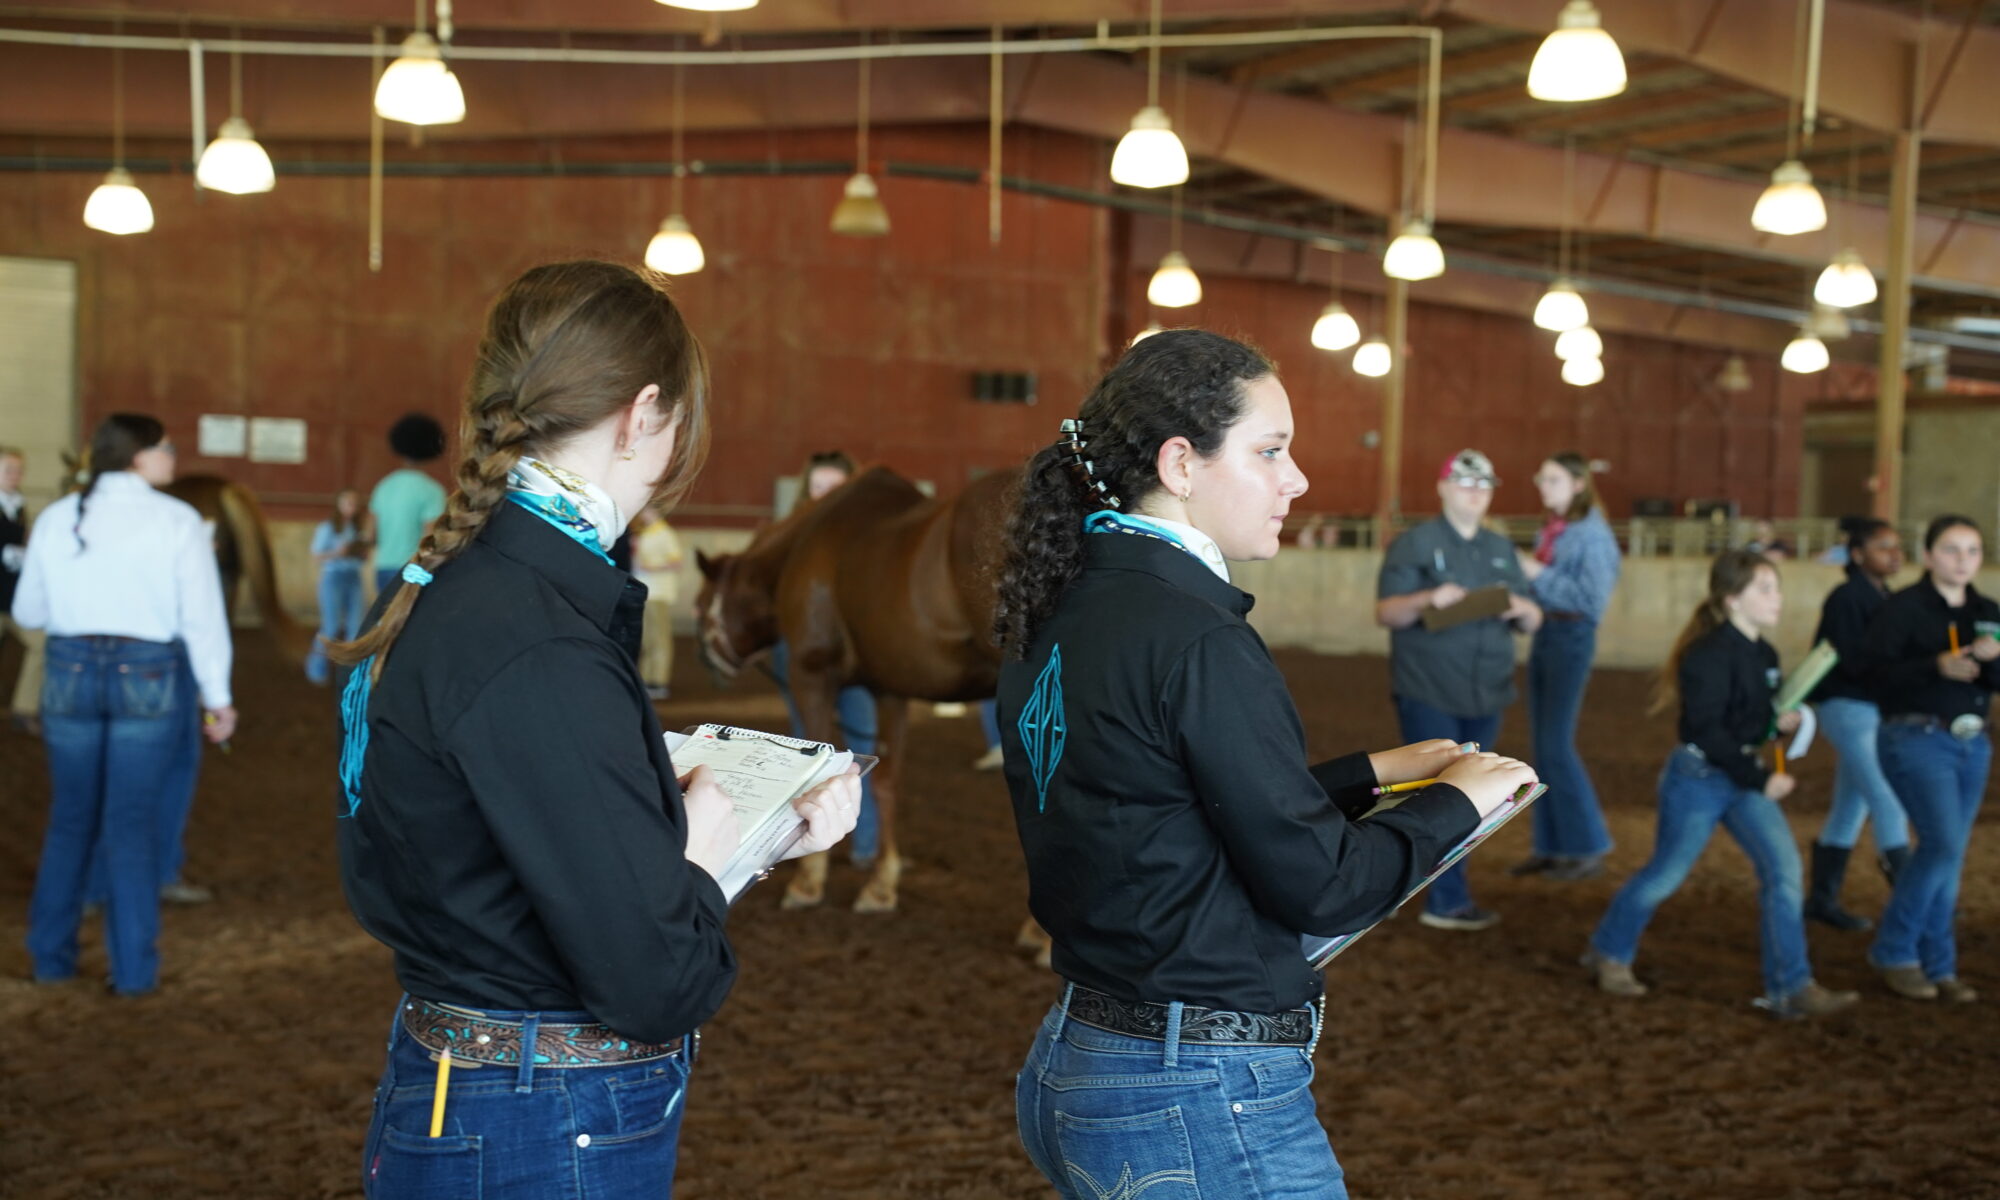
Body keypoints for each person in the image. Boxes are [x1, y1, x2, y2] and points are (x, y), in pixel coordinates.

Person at [332, 260, 860, 1199]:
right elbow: (655, 981)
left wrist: (754, 833)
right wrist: (693, 858)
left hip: (470, 1077)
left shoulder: (443, 587)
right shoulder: (539, 640)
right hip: (542, 1113)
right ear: (642, 412)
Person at [994, 329, 1537, 1199]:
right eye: (1271, 451)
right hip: (1193, 1088)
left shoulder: (1064, 603)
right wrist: (1456, 809)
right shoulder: (1198, 636)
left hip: (1083, 1056)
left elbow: (1171, 807)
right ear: (1181, 464)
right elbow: (1323, 888)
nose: (1298, 479)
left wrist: (1367, 772)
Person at [13, 414, 235, 995]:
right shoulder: (178, 520)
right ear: (140, 455)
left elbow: (31, 612)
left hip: (69, 672)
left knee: (70, 820)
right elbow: (202, 620)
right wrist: (219, 699)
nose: (172, 457)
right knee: (131, 827)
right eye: (166, 448)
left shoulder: (61, 516)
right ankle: (134, 972)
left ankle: (51, 959)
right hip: (149, 674)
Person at [1584, 550, 1858, 1017]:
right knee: (1665, 875)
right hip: (1701, 779)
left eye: (1777, 588)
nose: (1778, 599)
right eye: (1765, 589)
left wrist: (1778, 723)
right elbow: (1705, 732)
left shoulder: (1765, 654)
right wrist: (1760, 776)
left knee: (1784, 872)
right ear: (1733, 600)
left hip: (1736, 775)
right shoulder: (1706, 656)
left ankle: (1791, 987)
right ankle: (1610, 950)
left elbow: (1748, 722)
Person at [1375, 449, 1543, 931]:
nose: (1476, 492)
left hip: (1487, 689)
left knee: (1479, 793)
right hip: (1429, 686)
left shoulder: (1499, 547)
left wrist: (1524, 611)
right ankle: (1440, 897)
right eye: (1466, 483)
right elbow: (1388, 612)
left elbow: (1531, 615)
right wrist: (1427, 597)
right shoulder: (1415, 545)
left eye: (1484, 484)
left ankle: (1445, 892)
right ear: (1444, 487)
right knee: (1439, 792)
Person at [1861, 515, 1997, 1003]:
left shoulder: (1988, 611)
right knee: (1942, 846)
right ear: (1929, 555)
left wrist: (1990, 658)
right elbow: (1873, 674)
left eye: (1973, 551)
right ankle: (1896, 949)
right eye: (1952, 550)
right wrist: (1935, 665)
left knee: (1948, 855)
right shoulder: (1903, 610)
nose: (1963, 560)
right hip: (1914, 736)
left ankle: (1940, 965)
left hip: (1972, 741)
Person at [767, 448, 880, 863]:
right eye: (818, 488)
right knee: (807, 752)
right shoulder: (788, 535)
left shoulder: (873, 540)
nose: (824, 496)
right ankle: (803, 851)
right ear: (806, 491)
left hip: (856, 658)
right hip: (799, 655)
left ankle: (865, 847)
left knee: (861, 752)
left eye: (834, 488)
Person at [1511, 451, 1620, 881]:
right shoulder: (1561, 530)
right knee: (1545, 745)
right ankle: (1554, 846)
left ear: (1578, 483)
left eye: (1553, 479)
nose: (1543, 485)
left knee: (1555, 745)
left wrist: (1535, 573)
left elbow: (1590, 601)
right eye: (1542, 478)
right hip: (1551, 635)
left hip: (1571, 637)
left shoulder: (1589, 535)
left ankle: (1587, 844)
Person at [1802, 518, 1910, 931]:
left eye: (1896, 547)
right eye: (1883, 547)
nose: (1894, 554)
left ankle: (1821, 899)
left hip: (1865, 708)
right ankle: (1913, 896)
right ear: (1858, 554)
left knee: (1852, 803)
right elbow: (1853, 659)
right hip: (1849, 707)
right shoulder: (1848, 598)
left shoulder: (1882, 597)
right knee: (1887, 799)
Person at [367, 413, 448, 595]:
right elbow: (431, 537)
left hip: (382, 567)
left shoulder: (383, 486)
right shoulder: (432, 490)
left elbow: (370, 535)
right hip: (413, 569)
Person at [1, 445, 46, 734]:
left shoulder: (18, 504)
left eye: (19, 470)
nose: (16, 475)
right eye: (9, 470)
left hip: (12, 598)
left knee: (41, 645)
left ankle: (24, 707)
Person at [305, 488, 369, 685]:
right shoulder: (327, 528)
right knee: (331, 626)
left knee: (355, 627)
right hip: (333, 577)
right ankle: (316, 668)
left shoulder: (360, 529)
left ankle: (349, 672)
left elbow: (364, 557)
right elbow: (316, 555)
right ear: (338, 505)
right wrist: (337, 552)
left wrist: (361, 551)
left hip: (353, 576)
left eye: (354, 503)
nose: (351, 507)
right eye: (347, 503)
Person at [631, 501, 685, 699]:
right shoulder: (648, 532)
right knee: (649, 638)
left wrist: (651, 569)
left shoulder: (664, 534)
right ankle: (647, 679)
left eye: (645, 510)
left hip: (658, 592)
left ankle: (658, 681)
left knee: (659, 639)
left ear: (653, 511)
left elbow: (676, 562)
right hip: (648, 592)